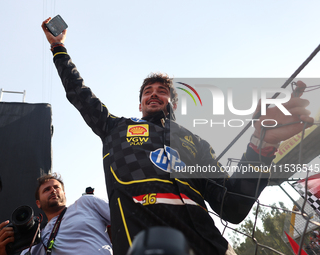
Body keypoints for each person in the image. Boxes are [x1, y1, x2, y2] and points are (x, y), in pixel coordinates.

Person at [41, 18, 314, 255]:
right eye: (147, 91)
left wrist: (262, 145)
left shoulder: (195, 142)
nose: (154, 94)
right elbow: (79, 93)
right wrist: (58, 48)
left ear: (173, 103)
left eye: (162, 90)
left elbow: (232, 206)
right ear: (140, 104)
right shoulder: (115, 128)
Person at [0, 173, 112, 255]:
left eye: (56, 187)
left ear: (64, 194)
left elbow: (124, 218)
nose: (53, 190)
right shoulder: (34, 240)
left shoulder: (86, 202)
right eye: (46, 189)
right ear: (38, 204)